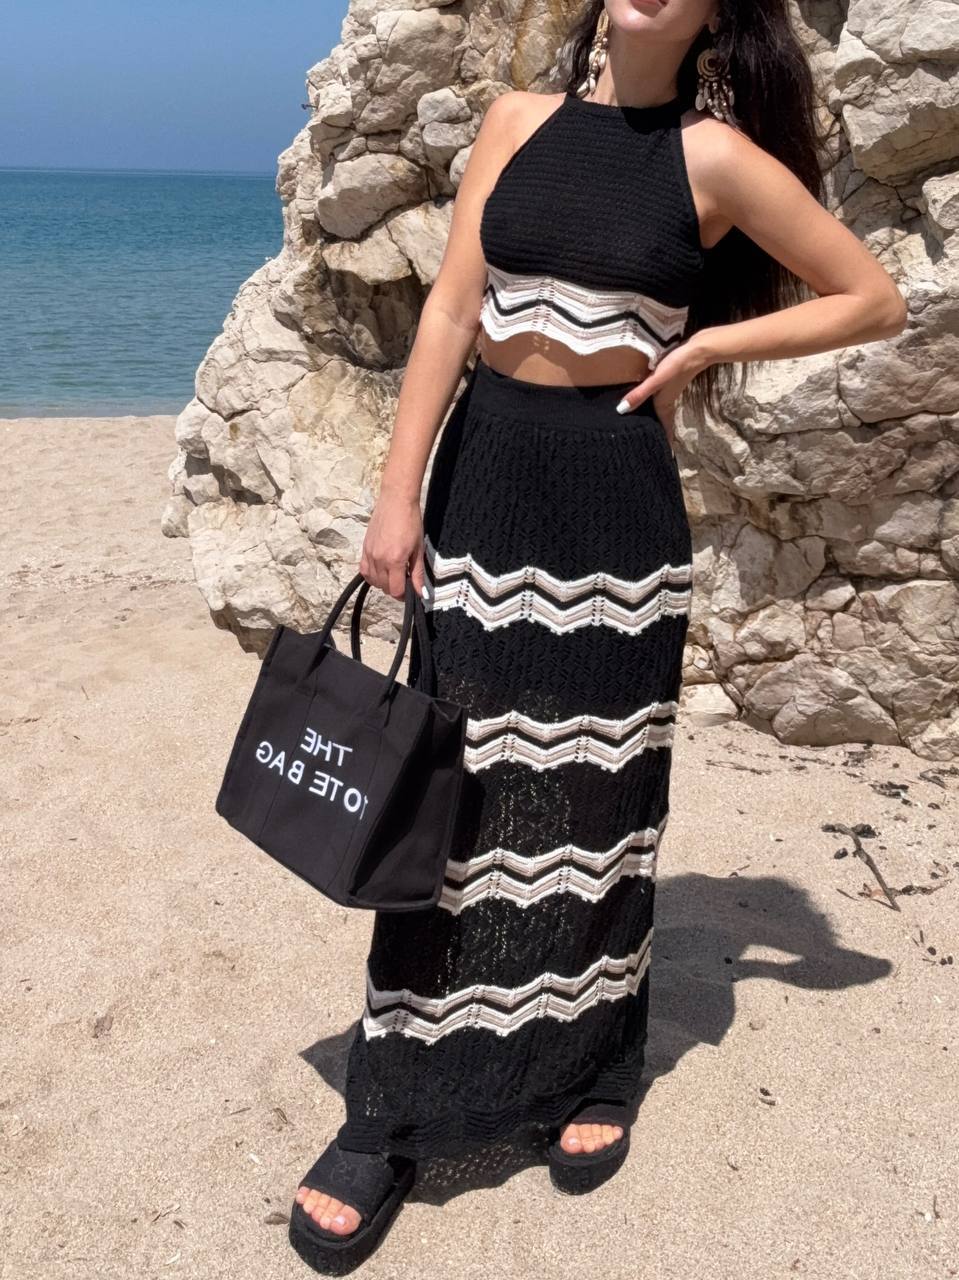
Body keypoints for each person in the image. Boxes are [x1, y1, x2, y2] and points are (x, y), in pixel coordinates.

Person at [288, 0, 907, 1271]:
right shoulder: (515, 123)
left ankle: (592, 1065)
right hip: (484, 478)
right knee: (452, 801)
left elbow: (871, 296)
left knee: (597, 808)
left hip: (614, 513)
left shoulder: (717, 161)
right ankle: (387, 1108)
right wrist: (395, 494)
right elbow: (451, 316)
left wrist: (709, 346)